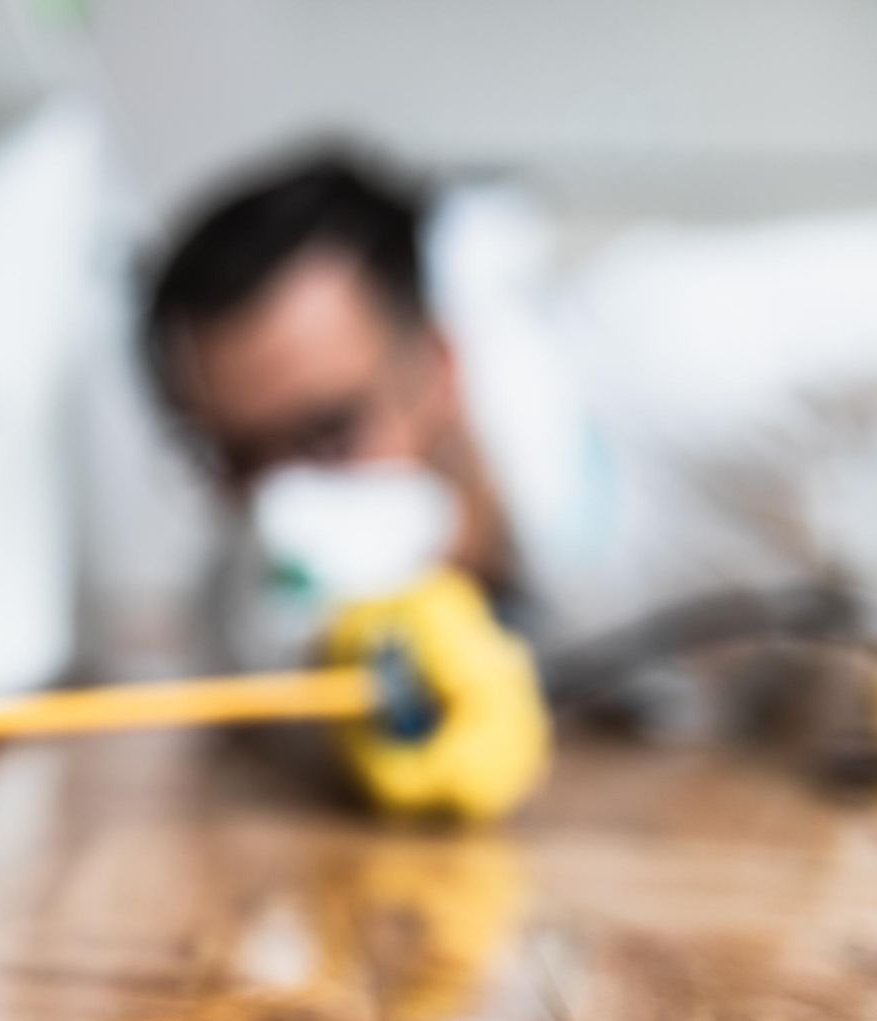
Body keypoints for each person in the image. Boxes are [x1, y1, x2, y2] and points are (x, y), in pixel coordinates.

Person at [138, 146, 877, 779]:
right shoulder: (251, 599)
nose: (280, 508)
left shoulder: (680, 352)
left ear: (439, 365)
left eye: (328, 433)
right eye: (235, 458)